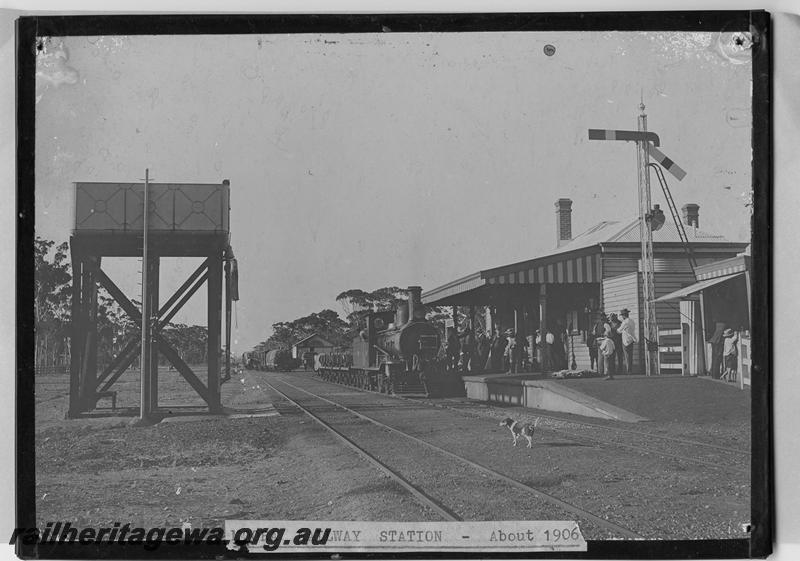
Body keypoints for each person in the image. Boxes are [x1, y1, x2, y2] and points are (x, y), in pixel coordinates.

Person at [617, 308, 638, 375]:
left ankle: (629, 371)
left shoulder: (625, 322)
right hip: (631, 339)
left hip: (626, 340)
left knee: (627, 356)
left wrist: (617, 330)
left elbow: (619, 330)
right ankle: (629, 369)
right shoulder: (632, 321)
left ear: (624, 315)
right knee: (630, 356)